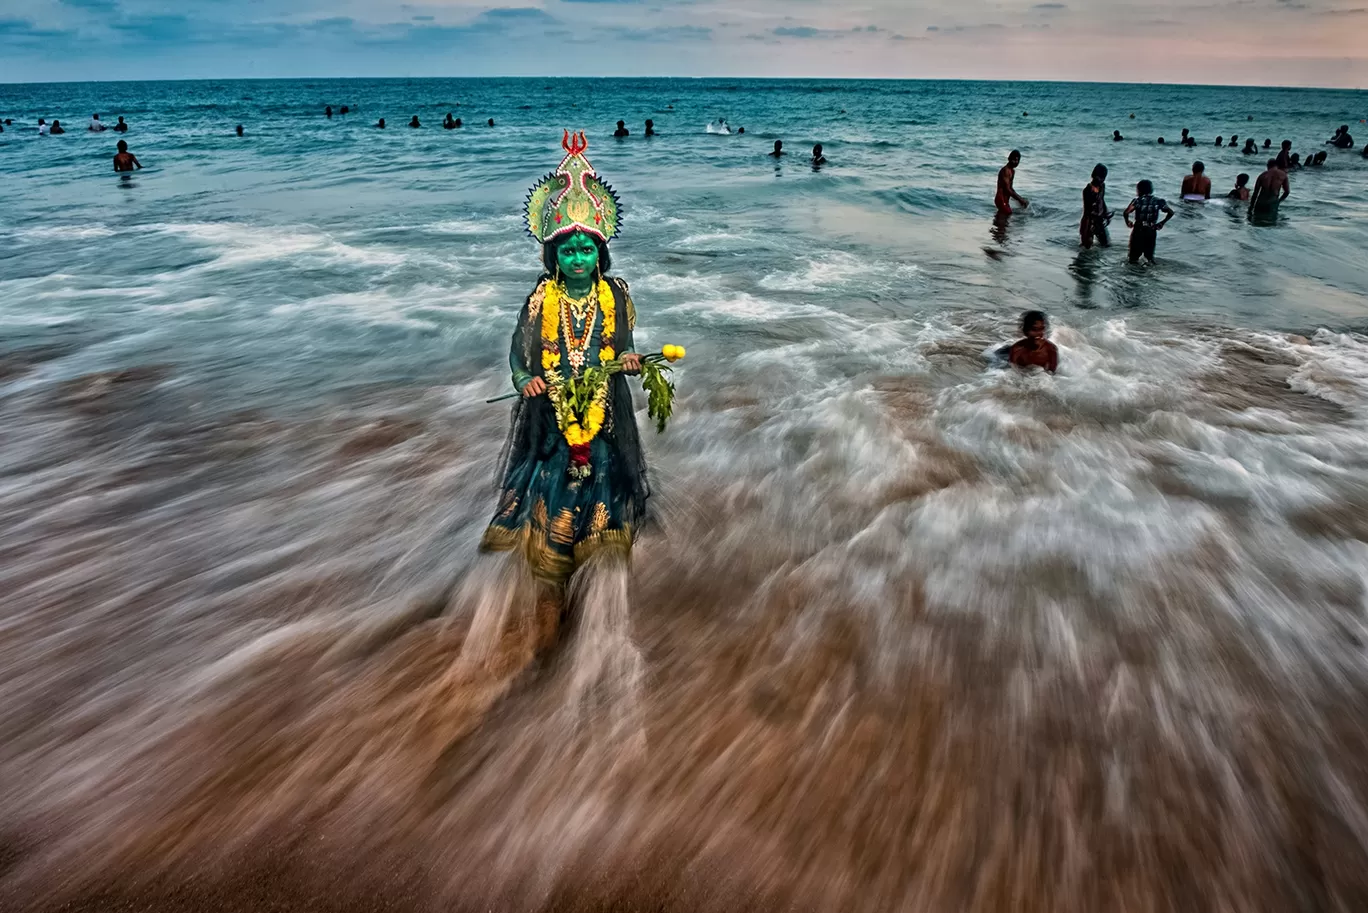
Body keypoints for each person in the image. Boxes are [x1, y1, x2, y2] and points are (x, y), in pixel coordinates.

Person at [482, 131, 651, 637]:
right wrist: (524, 379)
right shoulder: (539, 299)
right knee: (549, 506)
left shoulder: (616, 294)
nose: (577, 259)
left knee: (600, 500)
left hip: (602, 422)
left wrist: (628, 361)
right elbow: (518, 352)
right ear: (552, 256)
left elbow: (621, 344)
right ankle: (550, 596)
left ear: (601, 254)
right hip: (549, 423)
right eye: (568, 251)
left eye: (586, 250)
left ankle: (594, 600)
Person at [1123, 179, 1174, 264]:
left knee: (1133, 258)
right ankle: (1148, 275)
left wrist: (1128, 221)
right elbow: (1171, 212)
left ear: (1139, 190)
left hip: (1138, 230)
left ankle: (1132, 275)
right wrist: (1162, 223)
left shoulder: (1137, 201)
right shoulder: (1158, 201)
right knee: (1149, 258)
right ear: (1151, 190)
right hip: (1151, 230)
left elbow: (1126, 212)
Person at [1080, 163, 1112, 249]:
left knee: (1106, 245)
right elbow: (1087, 211)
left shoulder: (1102, 187)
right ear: (1094, 176)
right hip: (1090, 220)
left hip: (1099, 219)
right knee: (1087, 246)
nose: (1102, 180)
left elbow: (1102, 200)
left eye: (1103, 178)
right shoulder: (1088, 191)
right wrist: (1086, 229)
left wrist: (1106, 214)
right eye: (1100, 177)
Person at [1249, 158, 1289, 223]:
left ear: (1268, 165)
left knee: (1257, 222)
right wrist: (1279, 201)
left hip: (1260, 203)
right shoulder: (1283, 175)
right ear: (1277, 166)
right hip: (1272, 203)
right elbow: (1287, 192)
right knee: (1271, 224)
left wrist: (1251, 208)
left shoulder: (1262, 175)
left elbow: (1255, 194)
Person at [995, 150, 1028, 215]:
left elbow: (1011, 188)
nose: (1016, 162)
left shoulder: (1012, 171)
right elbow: (1007, 189)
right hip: (1001, 199)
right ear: (1009, 159)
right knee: (1007, 214)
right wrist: (1020, 199)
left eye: (1017, 160)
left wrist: (1020, 198)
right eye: (1014, 160)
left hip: (1005, 200)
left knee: (1004, 216)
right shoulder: (1006, 171)